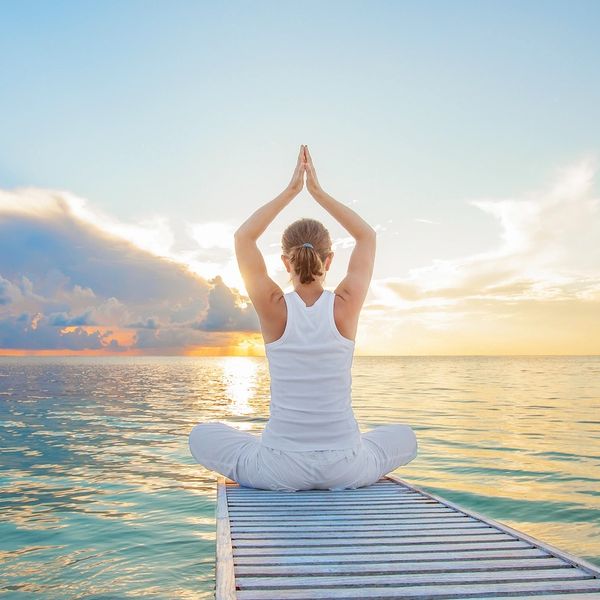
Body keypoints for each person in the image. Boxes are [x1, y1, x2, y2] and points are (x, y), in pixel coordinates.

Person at [189, 144, 418, 491]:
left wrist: (292, 191)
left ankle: (266, 446)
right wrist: (318, 193)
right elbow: (366, 236)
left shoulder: (273, 306)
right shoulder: (346, 303)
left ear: (285, 262)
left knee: (201, 435)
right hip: (345, 465)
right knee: (406, 437)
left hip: (279, 468)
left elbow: (243, 238)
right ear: (329, 261)